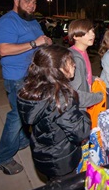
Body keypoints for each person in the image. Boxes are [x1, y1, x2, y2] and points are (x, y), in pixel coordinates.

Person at [0, 0, 53, 175]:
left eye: (34, 2)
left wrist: (46, 42)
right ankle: (1, 158)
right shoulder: (8, 21)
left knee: (30, 112)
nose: (32, 6)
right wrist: (35, 43)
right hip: (17, 76)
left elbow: (44, 40)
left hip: (34, 74)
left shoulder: (32, 21)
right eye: (27, 1)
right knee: (17, 115)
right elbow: (4, 50)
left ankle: (20, 141)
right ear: (16, 1)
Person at [17, 45, 91, 180]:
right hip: (62, 160)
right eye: (70, 62)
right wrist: (85, 114)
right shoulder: (61, 98)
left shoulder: (32, 89)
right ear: (59, 70)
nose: (74, 64)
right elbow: (80, 132)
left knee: (54, 185)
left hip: (43, 153)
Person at [67, 19, 104, 110]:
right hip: (78, 109)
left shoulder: (82, 52)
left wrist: (93, 78)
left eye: (92, 31)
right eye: (87, 32)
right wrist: (98, 97)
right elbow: (74, 94)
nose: (93, 34)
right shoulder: (74, 58)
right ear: (75, 36)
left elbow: (83, 74)